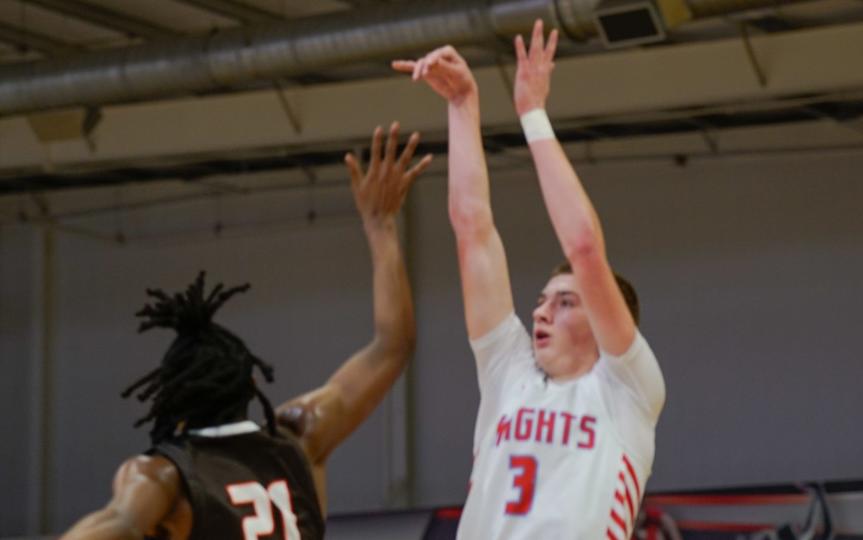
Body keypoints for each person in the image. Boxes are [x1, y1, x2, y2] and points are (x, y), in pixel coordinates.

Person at [61, 123, 432, 540]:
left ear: (171, 403)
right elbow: (393, 346)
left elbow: (117, 525)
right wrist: (381, 228)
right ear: (249, 382)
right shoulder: (301, 436)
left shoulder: (163, 476)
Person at [394, 20, 666, 540]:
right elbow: (472, 231)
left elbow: (584, 249)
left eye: (565, 303)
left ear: (613, 323)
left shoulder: (627, 388)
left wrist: (532, 114)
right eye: (541, 301)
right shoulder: (508, 373)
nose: (540, 311)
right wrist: (462, 104)